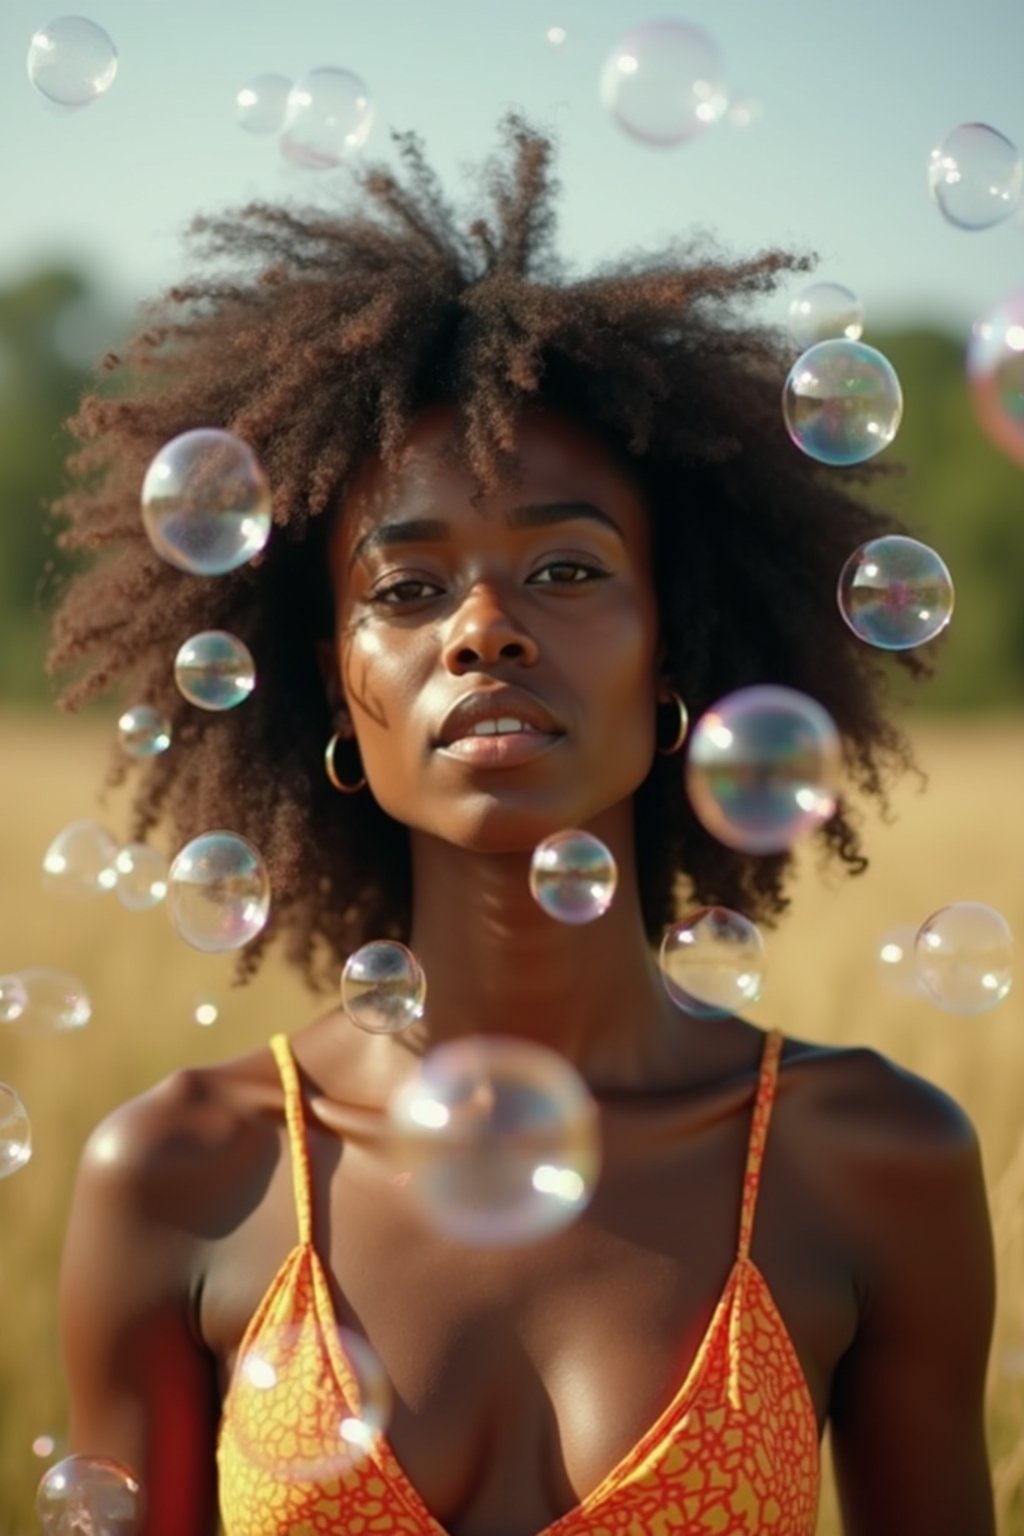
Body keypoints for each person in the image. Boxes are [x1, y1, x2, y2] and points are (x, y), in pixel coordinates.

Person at [51, 116, 996, 1536]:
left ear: (676, 653)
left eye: (565, 567)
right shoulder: (185, 1173)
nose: (486, 631)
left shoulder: (869, 1156)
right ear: (336, 686)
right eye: (410, 589)